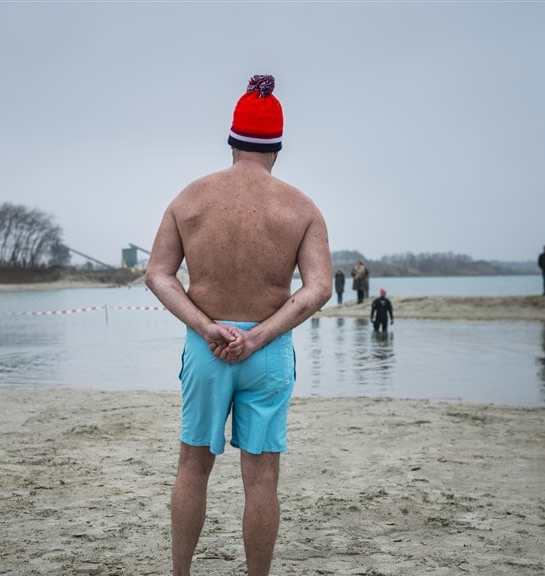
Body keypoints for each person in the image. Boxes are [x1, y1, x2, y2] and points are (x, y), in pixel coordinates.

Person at [144, 74, 332, 576]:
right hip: (266, 351)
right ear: (278, 147)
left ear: (231, 140)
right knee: (262, 477)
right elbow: (319, 288)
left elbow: (157, 274)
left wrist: (207, 328)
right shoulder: (301, 207)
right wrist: (259, 335)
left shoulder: (191, 198)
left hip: (206, 349)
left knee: (192, 466)